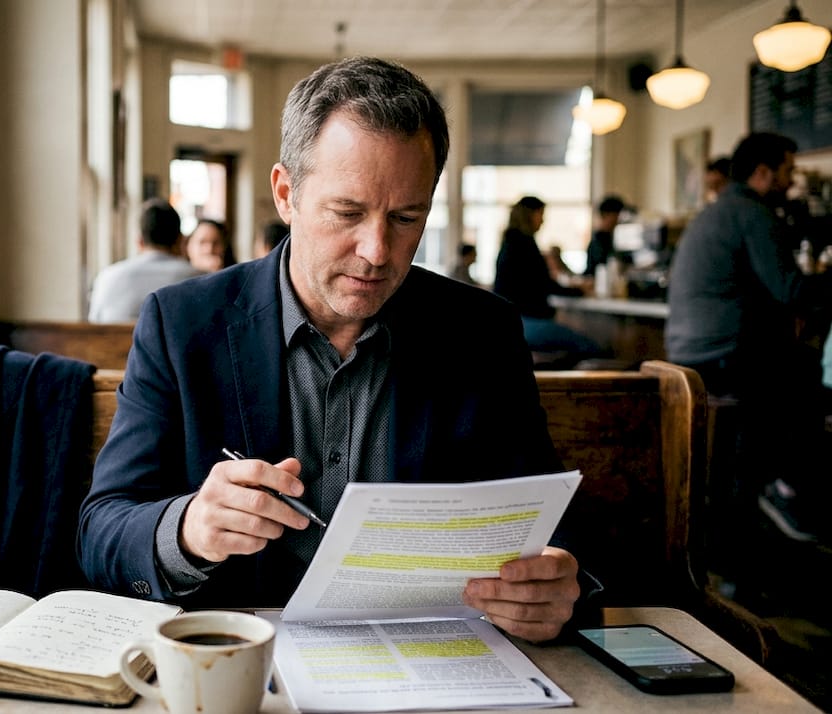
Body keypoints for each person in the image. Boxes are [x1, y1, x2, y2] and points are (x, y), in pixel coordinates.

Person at [79, 56, 597, 644]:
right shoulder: (181, 325)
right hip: (239, 667)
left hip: (433, 665)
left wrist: (556, 588)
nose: (377, 251)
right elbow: (102, 529)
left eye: (407, 217)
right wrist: (189, 529)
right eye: (347, 212)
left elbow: (557, 528)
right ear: (286, 195)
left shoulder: (482, 331)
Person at [666, 132, 832, 543]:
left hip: (688, 356)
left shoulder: (716, 210)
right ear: (763, 173)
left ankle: (756, 498)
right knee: (812, 375)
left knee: (797, 368)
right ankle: (785, 490)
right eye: (788, 171)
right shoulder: (753, 213)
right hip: (725, 358)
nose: (791, 181)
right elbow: (790, 289)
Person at [492, 196, 604, 362]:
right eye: (541, 214)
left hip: (512, 323)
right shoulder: (524, 245)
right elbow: (545, 285)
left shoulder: (510, 242)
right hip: (525, 323)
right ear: (530, 215)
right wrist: (580, 291)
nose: (543, 221)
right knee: (590, 347)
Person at [87, 199, 202, 323]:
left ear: (139, 241)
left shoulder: (107, 276)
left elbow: (94, 324)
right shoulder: (199, 279)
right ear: (180, 240)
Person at [584, 195, 626, 276]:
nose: (619, 220)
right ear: (606, 215)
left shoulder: (612, 236)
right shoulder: (599, 240)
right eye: (616, 215)